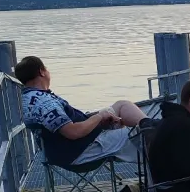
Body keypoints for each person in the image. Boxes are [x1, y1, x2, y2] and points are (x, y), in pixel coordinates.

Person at [16, 56, 149, 169]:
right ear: (42, 72)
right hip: (81, 151)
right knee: (141, 135)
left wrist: (98, 121)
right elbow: (74, 132)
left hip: (70, 147)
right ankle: (155, 137)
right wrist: (99, 117)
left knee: (121, 105)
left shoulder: (29, 97)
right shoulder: (43, 102)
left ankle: (151, 126)